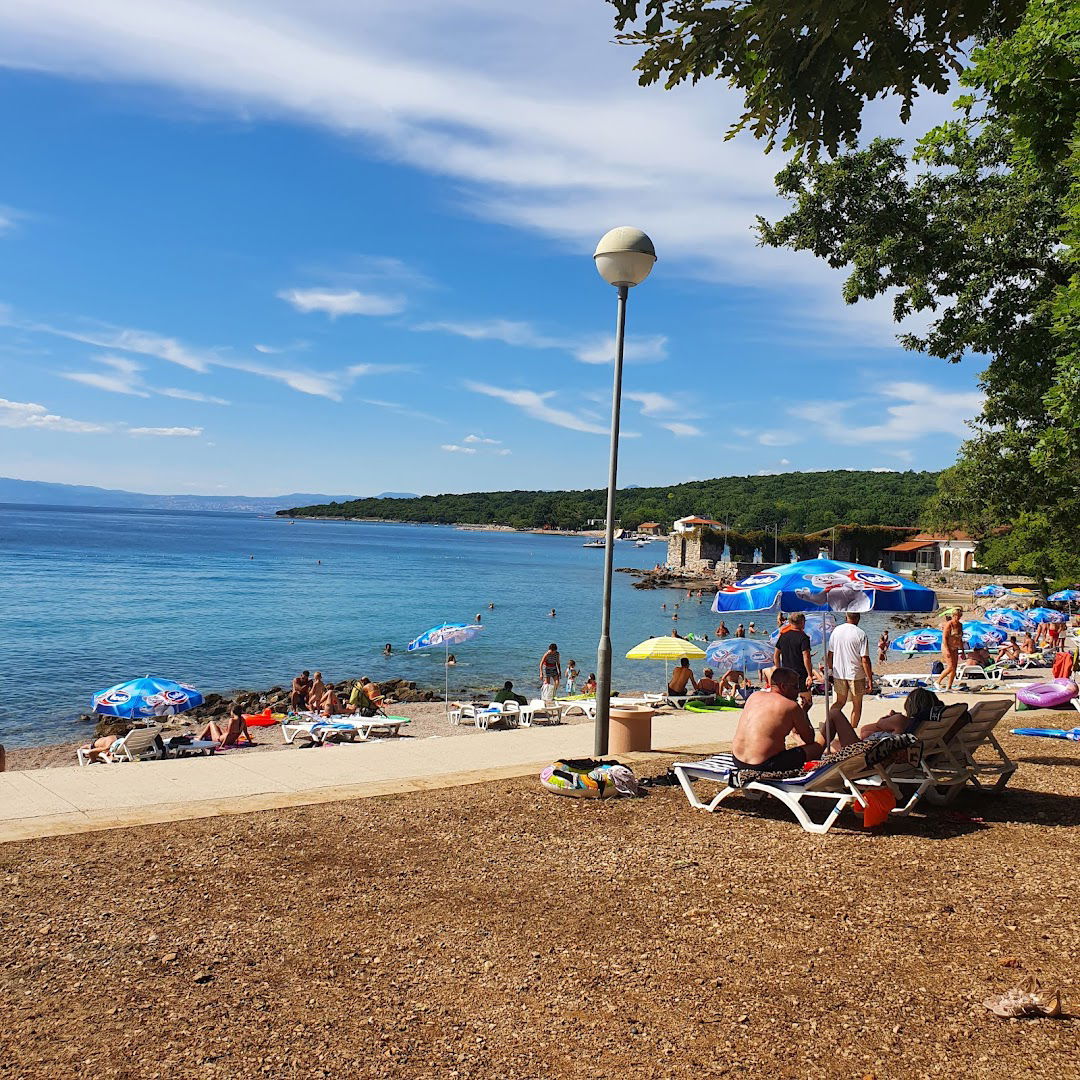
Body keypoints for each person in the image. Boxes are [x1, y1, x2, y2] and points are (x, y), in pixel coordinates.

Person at [730, 667, 843, 771]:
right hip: (763, 764)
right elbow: (809, 740)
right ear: (783, 686)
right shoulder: (791, 706)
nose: (798, 690)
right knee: (816, 748)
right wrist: (803, 712)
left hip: (738, 760)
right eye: (795, 686)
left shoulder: (754, 696)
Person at [828, 612, 873, 728]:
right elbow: (865, 659)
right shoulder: (861, 634)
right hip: (855, 674)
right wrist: (869, 679)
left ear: (846, 617)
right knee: (857, 705)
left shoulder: (836, 631)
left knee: (839, 702)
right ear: (858, 618)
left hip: (839, 673)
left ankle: (830, 724)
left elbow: (830, 655)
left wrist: (830, 670)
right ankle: (852, 729)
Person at [857, 686, 944, 739]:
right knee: (866, 732)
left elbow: (879, 723)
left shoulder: (901, 720)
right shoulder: (932, 721)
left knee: (865, 732)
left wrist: (889, 717)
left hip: (896, 752)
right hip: (916, 746)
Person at [773, 612, 813, 711]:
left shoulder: (783, 636)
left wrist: (778, 670)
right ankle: (801, 720)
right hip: (800, 673)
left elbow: (776, 655)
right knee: (807, 702)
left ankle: (795, 721)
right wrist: (809, 674)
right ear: (802, 622)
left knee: (790, 700)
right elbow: (806, 656)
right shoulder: (803, 637)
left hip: (786, 673)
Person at [939, 608, 966, 691]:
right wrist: (947, 650)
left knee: (954, 668)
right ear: (953, 616)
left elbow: (960, 639)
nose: (957, 618)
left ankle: (949, 686)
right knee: (950, 667)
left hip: (955, 648)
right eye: (956, 616)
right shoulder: (949, 624)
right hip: (947, 647)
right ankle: (938, 681)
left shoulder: (960, 625)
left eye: (959, 616)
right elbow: (944, 638)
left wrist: (962, 651)